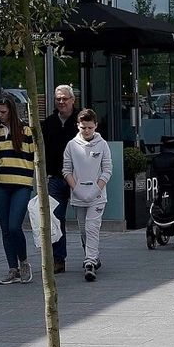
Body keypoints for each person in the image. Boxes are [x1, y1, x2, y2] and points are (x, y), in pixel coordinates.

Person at [0, 95, 36, 284]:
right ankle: (13, 268)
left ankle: (24, 262)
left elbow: (35, 156)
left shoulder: (26, 131)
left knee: (14, 226)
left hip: (22, 183)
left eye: (3, 112)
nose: (0, 115)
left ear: (11, 110)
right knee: (5, 229)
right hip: (0, 183)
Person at [62, 108, 112, 282]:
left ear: (96, 126)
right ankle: (93, 255)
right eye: (83, 127)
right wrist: (77, 190)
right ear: (78, 126)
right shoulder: (71, 145)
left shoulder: (102, 144)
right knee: (83, 229)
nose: (87, 131)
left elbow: (107, 170)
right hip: (78, 194)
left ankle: (89, 262)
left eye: (90, 127)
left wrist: (95, 190)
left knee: (92, 227)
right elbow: (66, 170)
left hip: (97, 195)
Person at [40, 84, 79, 274]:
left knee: (86, 220)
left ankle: (90, 257)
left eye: (65, 98)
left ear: (73, 100)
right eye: (58, 99)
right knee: (55, 217)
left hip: (80, 178)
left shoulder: (81, 121)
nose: (61, 102)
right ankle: (58, 259)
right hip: (56, 176)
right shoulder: (48, 123)